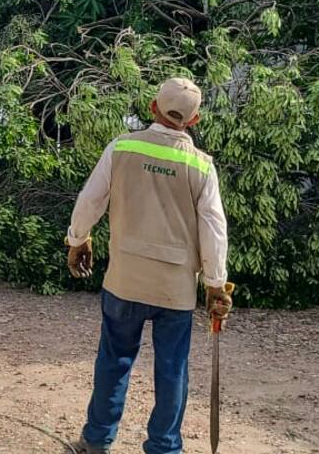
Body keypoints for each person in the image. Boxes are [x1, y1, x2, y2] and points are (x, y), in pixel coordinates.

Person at [67, 77, 232, 454]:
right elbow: (214, 229)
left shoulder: (121, 147)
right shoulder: (201, 166)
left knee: (114, 359)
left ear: (152, 107)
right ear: (194, 121)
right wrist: (215, 283)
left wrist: (78, 239)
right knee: (172, 370)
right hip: (174, 289)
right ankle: (164, 447)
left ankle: (96, 440)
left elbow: (90, 200)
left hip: (124, 279)